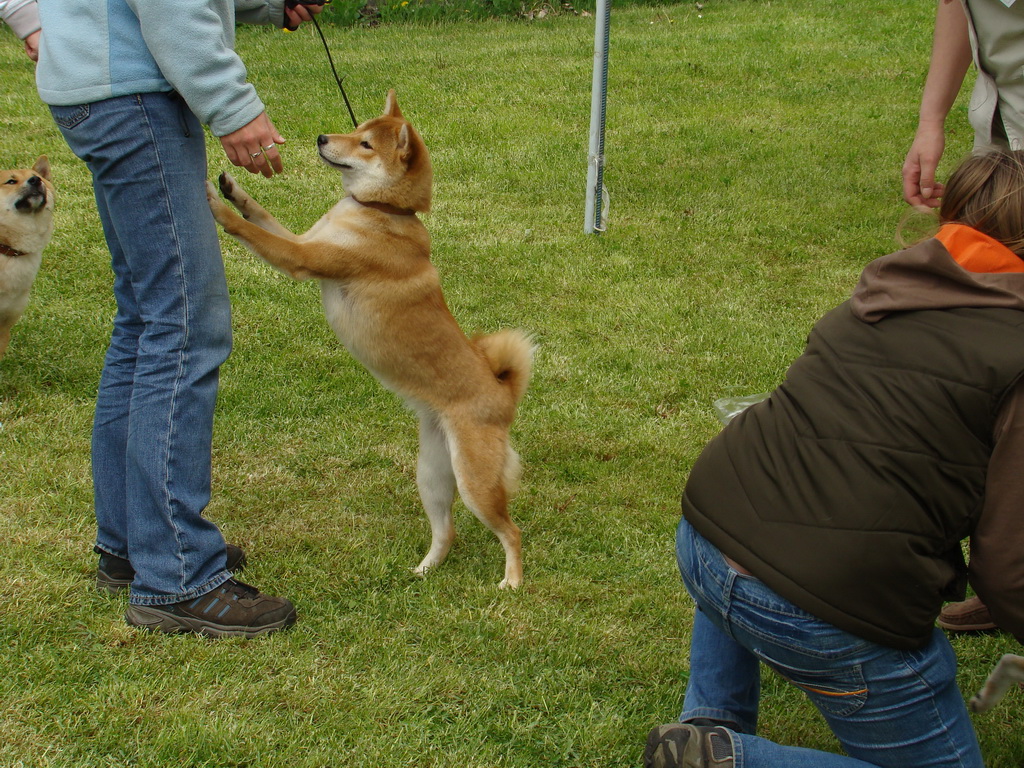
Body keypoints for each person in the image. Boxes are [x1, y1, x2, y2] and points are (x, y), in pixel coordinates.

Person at [645, 149, 1024, 768]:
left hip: (707, 533)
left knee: (766, 524)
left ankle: (708, 729)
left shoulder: (890, 286)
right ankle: (733, 759)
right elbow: (1009, 568)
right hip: (827, 605)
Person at [32, 0, 321, 637]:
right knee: (186, 323)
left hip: (106, 86)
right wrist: (233, 105)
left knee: (145, 319)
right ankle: (178, 575)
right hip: (136, 95)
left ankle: (132, 546)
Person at [902, 0, 1024, 633]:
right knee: (989, 356)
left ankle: (1010, 575)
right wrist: (931, 120)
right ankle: (1002, 572)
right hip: (1002, 123)